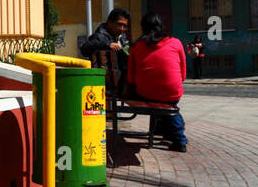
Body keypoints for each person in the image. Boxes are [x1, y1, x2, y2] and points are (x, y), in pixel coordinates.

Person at [126, 13, 188, 152]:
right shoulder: (176, 43)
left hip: (146, 93)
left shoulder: (137, 47)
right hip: (172, 92)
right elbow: (183, 75)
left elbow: (130, 78)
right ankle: (180, 140)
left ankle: (168, 132)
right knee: (169, 105)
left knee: (162, 104)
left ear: (143, 28)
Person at [80, 8, 132, 88]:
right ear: (110, 22)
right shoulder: (100, 36)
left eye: (125, 26)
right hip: (105, 85)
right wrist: (107, 44)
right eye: (119, 24)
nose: (122, 29)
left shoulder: (121, 37)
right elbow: (84, 49)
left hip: (118, 83)